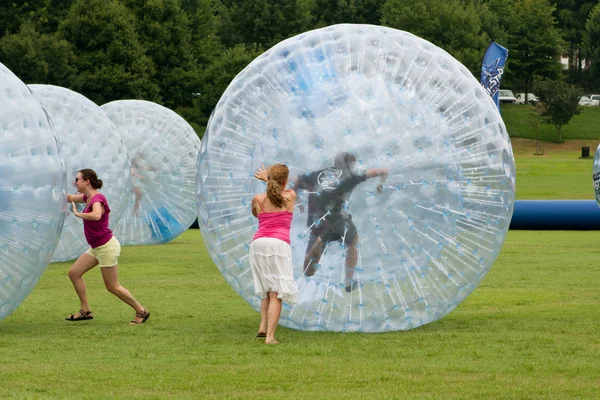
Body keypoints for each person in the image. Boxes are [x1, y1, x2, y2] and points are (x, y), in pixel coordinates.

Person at [292, 152, 388, 292]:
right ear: (351, 164)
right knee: (353, 240)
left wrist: (297, 199)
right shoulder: (351, 176)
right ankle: (348, 283)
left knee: (308, 271)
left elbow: (296, 179)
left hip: (316, 222)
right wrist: (381, 184)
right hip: (338, 220)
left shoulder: (318, 174)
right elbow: (383, 171)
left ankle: (320, 241)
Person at [65, 168, 150, 325]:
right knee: (74, 273)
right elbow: (69, 197)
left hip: (106, 247)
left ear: (87, 181)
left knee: (112, 286)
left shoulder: (97, 199)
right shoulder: (87, 197)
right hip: (96, 247)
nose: (74, 182)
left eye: (77, 179)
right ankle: (86, 310)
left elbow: (97, 215)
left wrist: (79, 214)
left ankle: (141, 311)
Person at [250, 164, 299, 344]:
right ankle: (270, 337)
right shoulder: (290, 196)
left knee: (266, 290)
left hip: (258, 245)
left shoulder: (258, 199)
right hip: (278, 245)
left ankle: (262, 328)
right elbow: (280, 193)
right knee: (276, 293)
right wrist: (269, 179)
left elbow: (256, 214)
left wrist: (267, 180)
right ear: (285, 180)